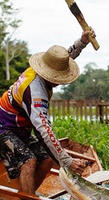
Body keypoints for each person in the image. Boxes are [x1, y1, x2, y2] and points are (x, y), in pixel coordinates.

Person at [0, 28, 96, 194]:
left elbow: (65, 57)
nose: (58, 82)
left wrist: (82, 42)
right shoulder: (35, 92)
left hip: (19, 128)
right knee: (29, 161)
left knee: (46, 159)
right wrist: (67, 161)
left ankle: (28, 195)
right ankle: (27, 196)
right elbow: (44, 131)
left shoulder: (45, 66)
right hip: (3, 127)